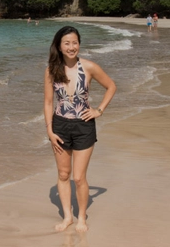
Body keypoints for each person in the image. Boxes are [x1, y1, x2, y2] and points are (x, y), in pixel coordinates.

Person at [44, 26, 117, 233]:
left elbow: (111, 86)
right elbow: (48, 103)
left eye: (74, 42)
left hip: (84, 126)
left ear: (79, 44)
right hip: (59, 126)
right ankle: (67, 217)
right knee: (63, 174)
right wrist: (49, 131)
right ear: (59, 45)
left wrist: (99, 110)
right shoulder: (51, 70)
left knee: (78, 177)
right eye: (66, 43)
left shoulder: (89, 67)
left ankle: (81, 217)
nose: (71, 47)